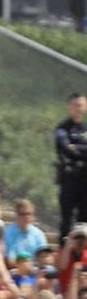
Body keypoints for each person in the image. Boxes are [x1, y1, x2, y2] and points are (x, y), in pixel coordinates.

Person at [54, 92, 87, 241]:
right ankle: (63, 251)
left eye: (80, 105)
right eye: (75, 105)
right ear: (69, 107)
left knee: (84, 218)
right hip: (69, 177)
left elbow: (73, 150)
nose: (78, 108)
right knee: (67, 218)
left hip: (85, 178)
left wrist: (76, 148)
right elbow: (66, 149)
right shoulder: (62, 128)